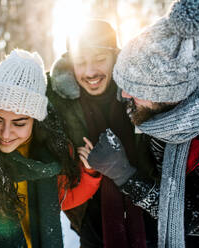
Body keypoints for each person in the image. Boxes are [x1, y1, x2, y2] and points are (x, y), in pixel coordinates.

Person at [87, 0, 199, 247]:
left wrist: (123, 174)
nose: (125, 95)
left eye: (135, 90)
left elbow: (184, 216)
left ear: (169, 97)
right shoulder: (184, 65)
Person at [0, 49, 101, 248]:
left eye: (19, 123)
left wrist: (89, 172)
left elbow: (63, 199)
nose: (6, 133)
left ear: (36, 122)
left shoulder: (46, 156)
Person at [47, 19, 156, 247]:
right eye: (81, 62)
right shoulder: (56, 103)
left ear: (115, 58)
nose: (90, 71)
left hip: (149, 215)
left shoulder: (141, 92)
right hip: (92, 222)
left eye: (99, 59)